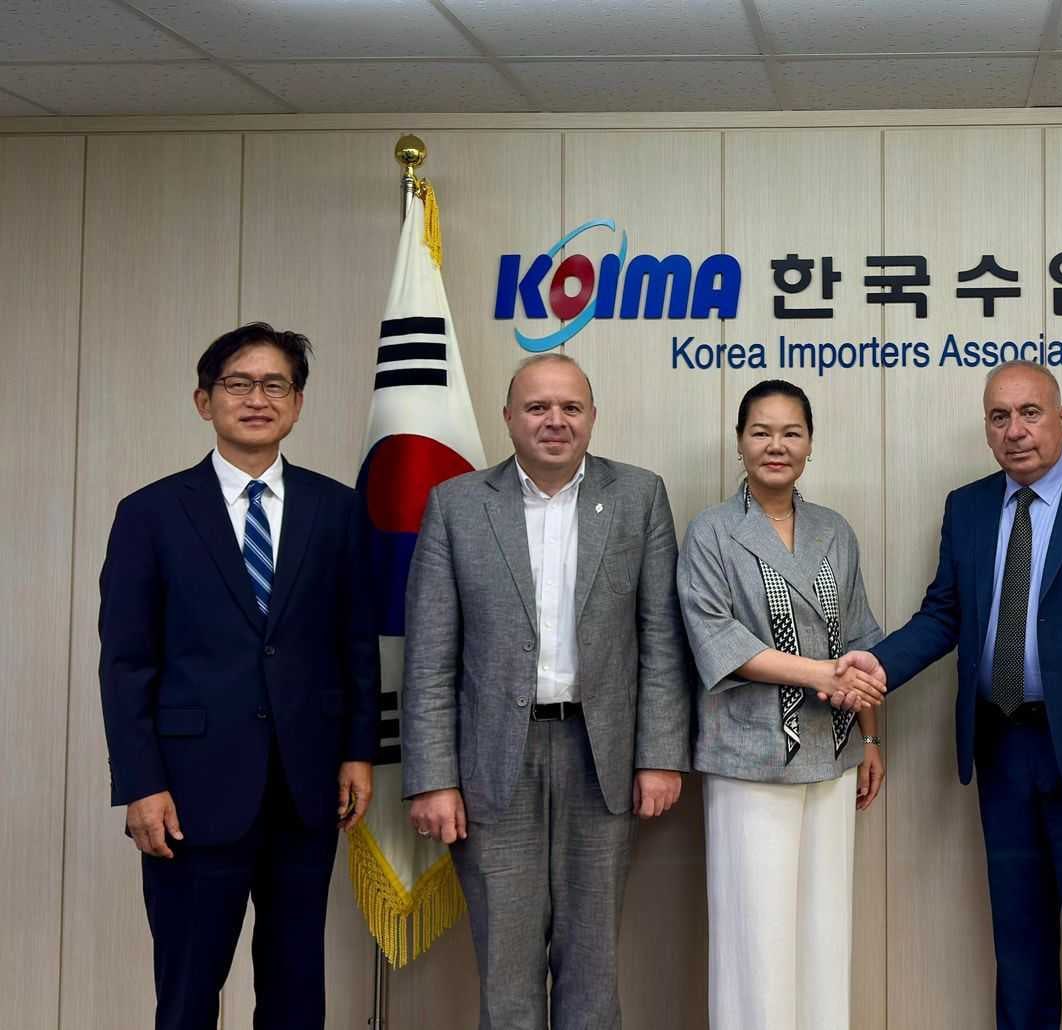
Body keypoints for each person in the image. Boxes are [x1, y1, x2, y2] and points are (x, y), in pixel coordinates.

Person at [832, 360, 1062, 1030]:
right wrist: (877, 665)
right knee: (1019, 945)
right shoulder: (968, 506)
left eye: (1030, 413)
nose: (1015, 430)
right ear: (986, 429)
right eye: (999, 417)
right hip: (1002, 751)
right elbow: (944, 615)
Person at [98, 323, 379, 1030]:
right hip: (188, 794)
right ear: (204, 401)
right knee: (189, 993)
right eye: (238, 384)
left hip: (305, 787)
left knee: (295, 992)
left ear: (298, 404)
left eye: (275, 385)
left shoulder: (338, 509)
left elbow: (356, 643)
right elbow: (126, 663)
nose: (258, 399)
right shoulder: (150, 513)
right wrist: (140, 784)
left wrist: (357, 752)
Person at [401, 353, 692, 1030]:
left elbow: (661, 639)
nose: (554, 421)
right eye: (537, 408)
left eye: (570, 407)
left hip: (603, 759)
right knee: (506, 969)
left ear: (592, 417)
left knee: (593, 966)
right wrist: (433, 778)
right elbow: (430, 656)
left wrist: (660, 756)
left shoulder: (639, 496)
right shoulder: (456, 505)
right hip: (492, 764)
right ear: (509, 418)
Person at [677, 379, 886, 1030]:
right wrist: (822, 674)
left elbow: (860, 639)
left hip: (835, 753)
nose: (777, 445)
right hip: (749, 756)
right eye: (761, 432)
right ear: (739, 443)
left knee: (826, 931)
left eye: (791, 432)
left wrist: (871, 738)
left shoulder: (834, 530)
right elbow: (718, 641)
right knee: (756, 937)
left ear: (810, 444)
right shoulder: (712, 531)